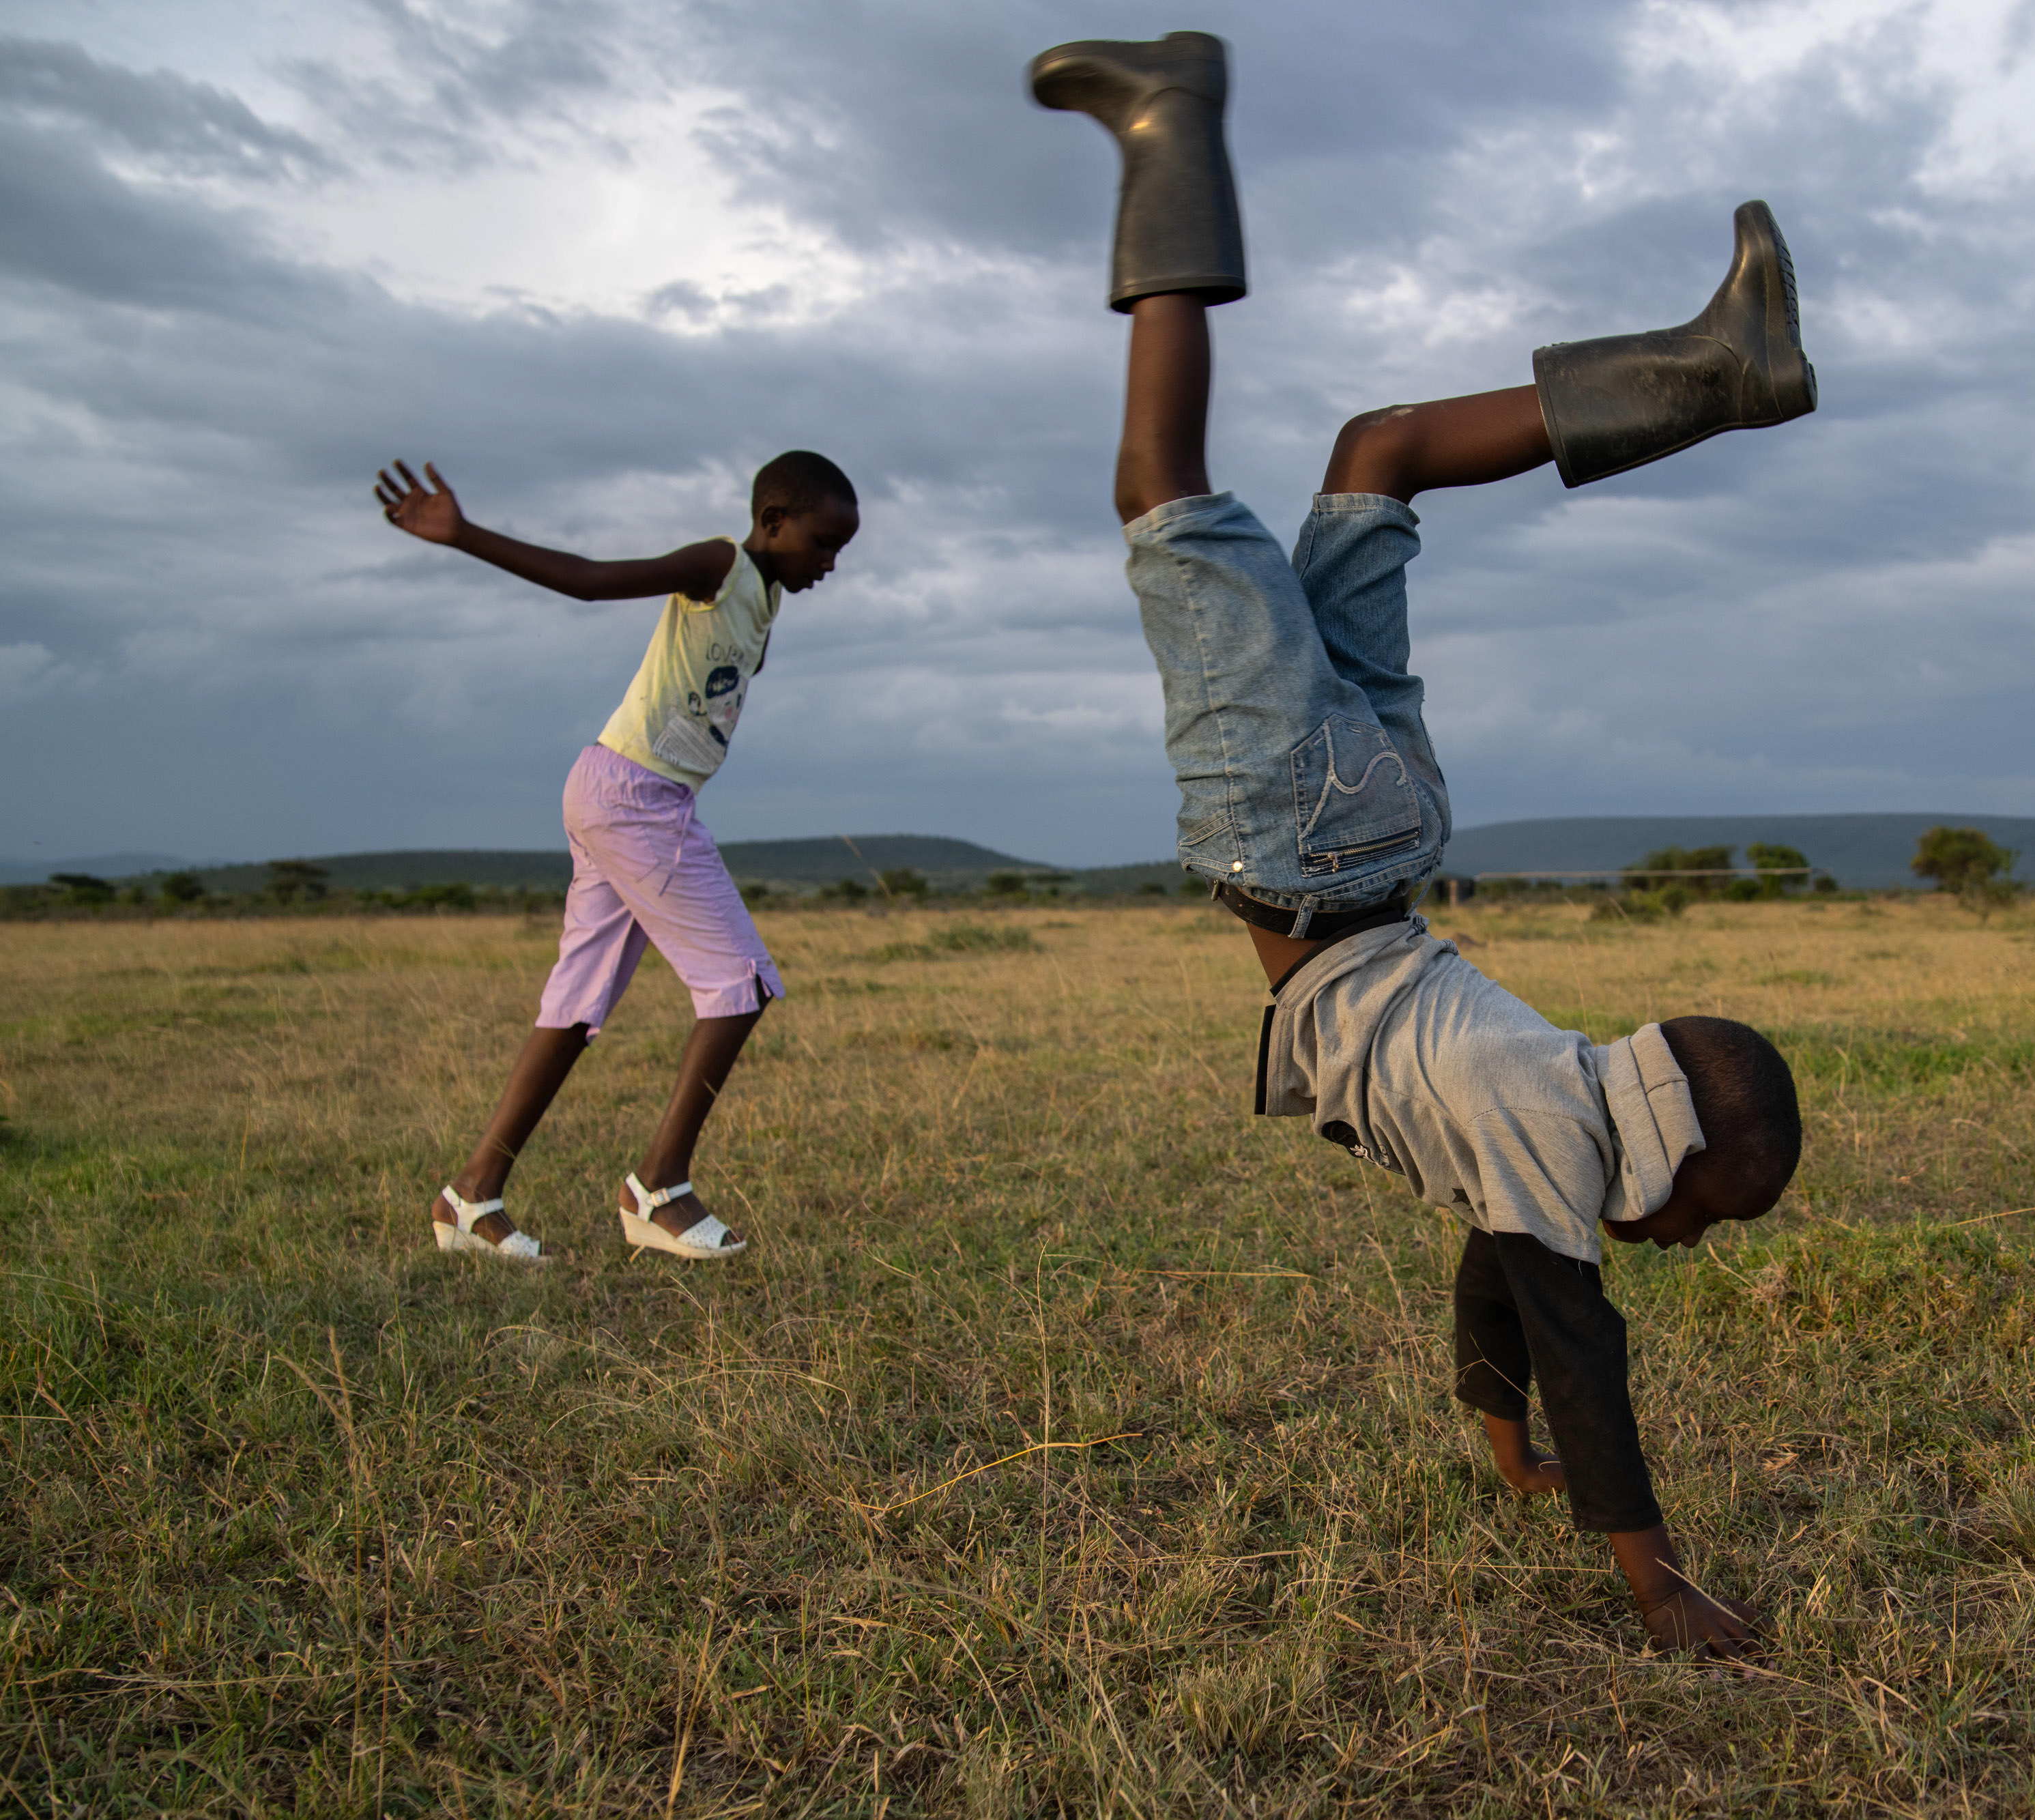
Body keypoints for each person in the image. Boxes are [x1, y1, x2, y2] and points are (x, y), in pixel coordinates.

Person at [1031, 31, 1812, 1655]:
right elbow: (1573, 1338)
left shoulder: (1549, 1110)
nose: (1679, 1244)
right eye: (1706, 1217)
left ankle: (1714, 367)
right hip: (1307, 849)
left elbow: (1491, 1271)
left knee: (1374, 454)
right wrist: (1655, 1585)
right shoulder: (1553, 1140)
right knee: (1161, 487)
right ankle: (1167, 121)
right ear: (1673, 1163)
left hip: (1387, 828)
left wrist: (1499, 1446)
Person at [372, 451, 859, 1262]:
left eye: (841, 549)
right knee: (741, 985)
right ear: (772, 522)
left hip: (629, 792)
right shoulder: (722, 565)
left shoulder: (764, 604)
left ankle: (470, 1198)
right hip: (634, 795)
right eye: (821, 542)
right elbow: (591, 580)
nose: (830, 563)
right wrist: (462, 536)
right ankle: (658, 1187)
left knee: (577, 1002)